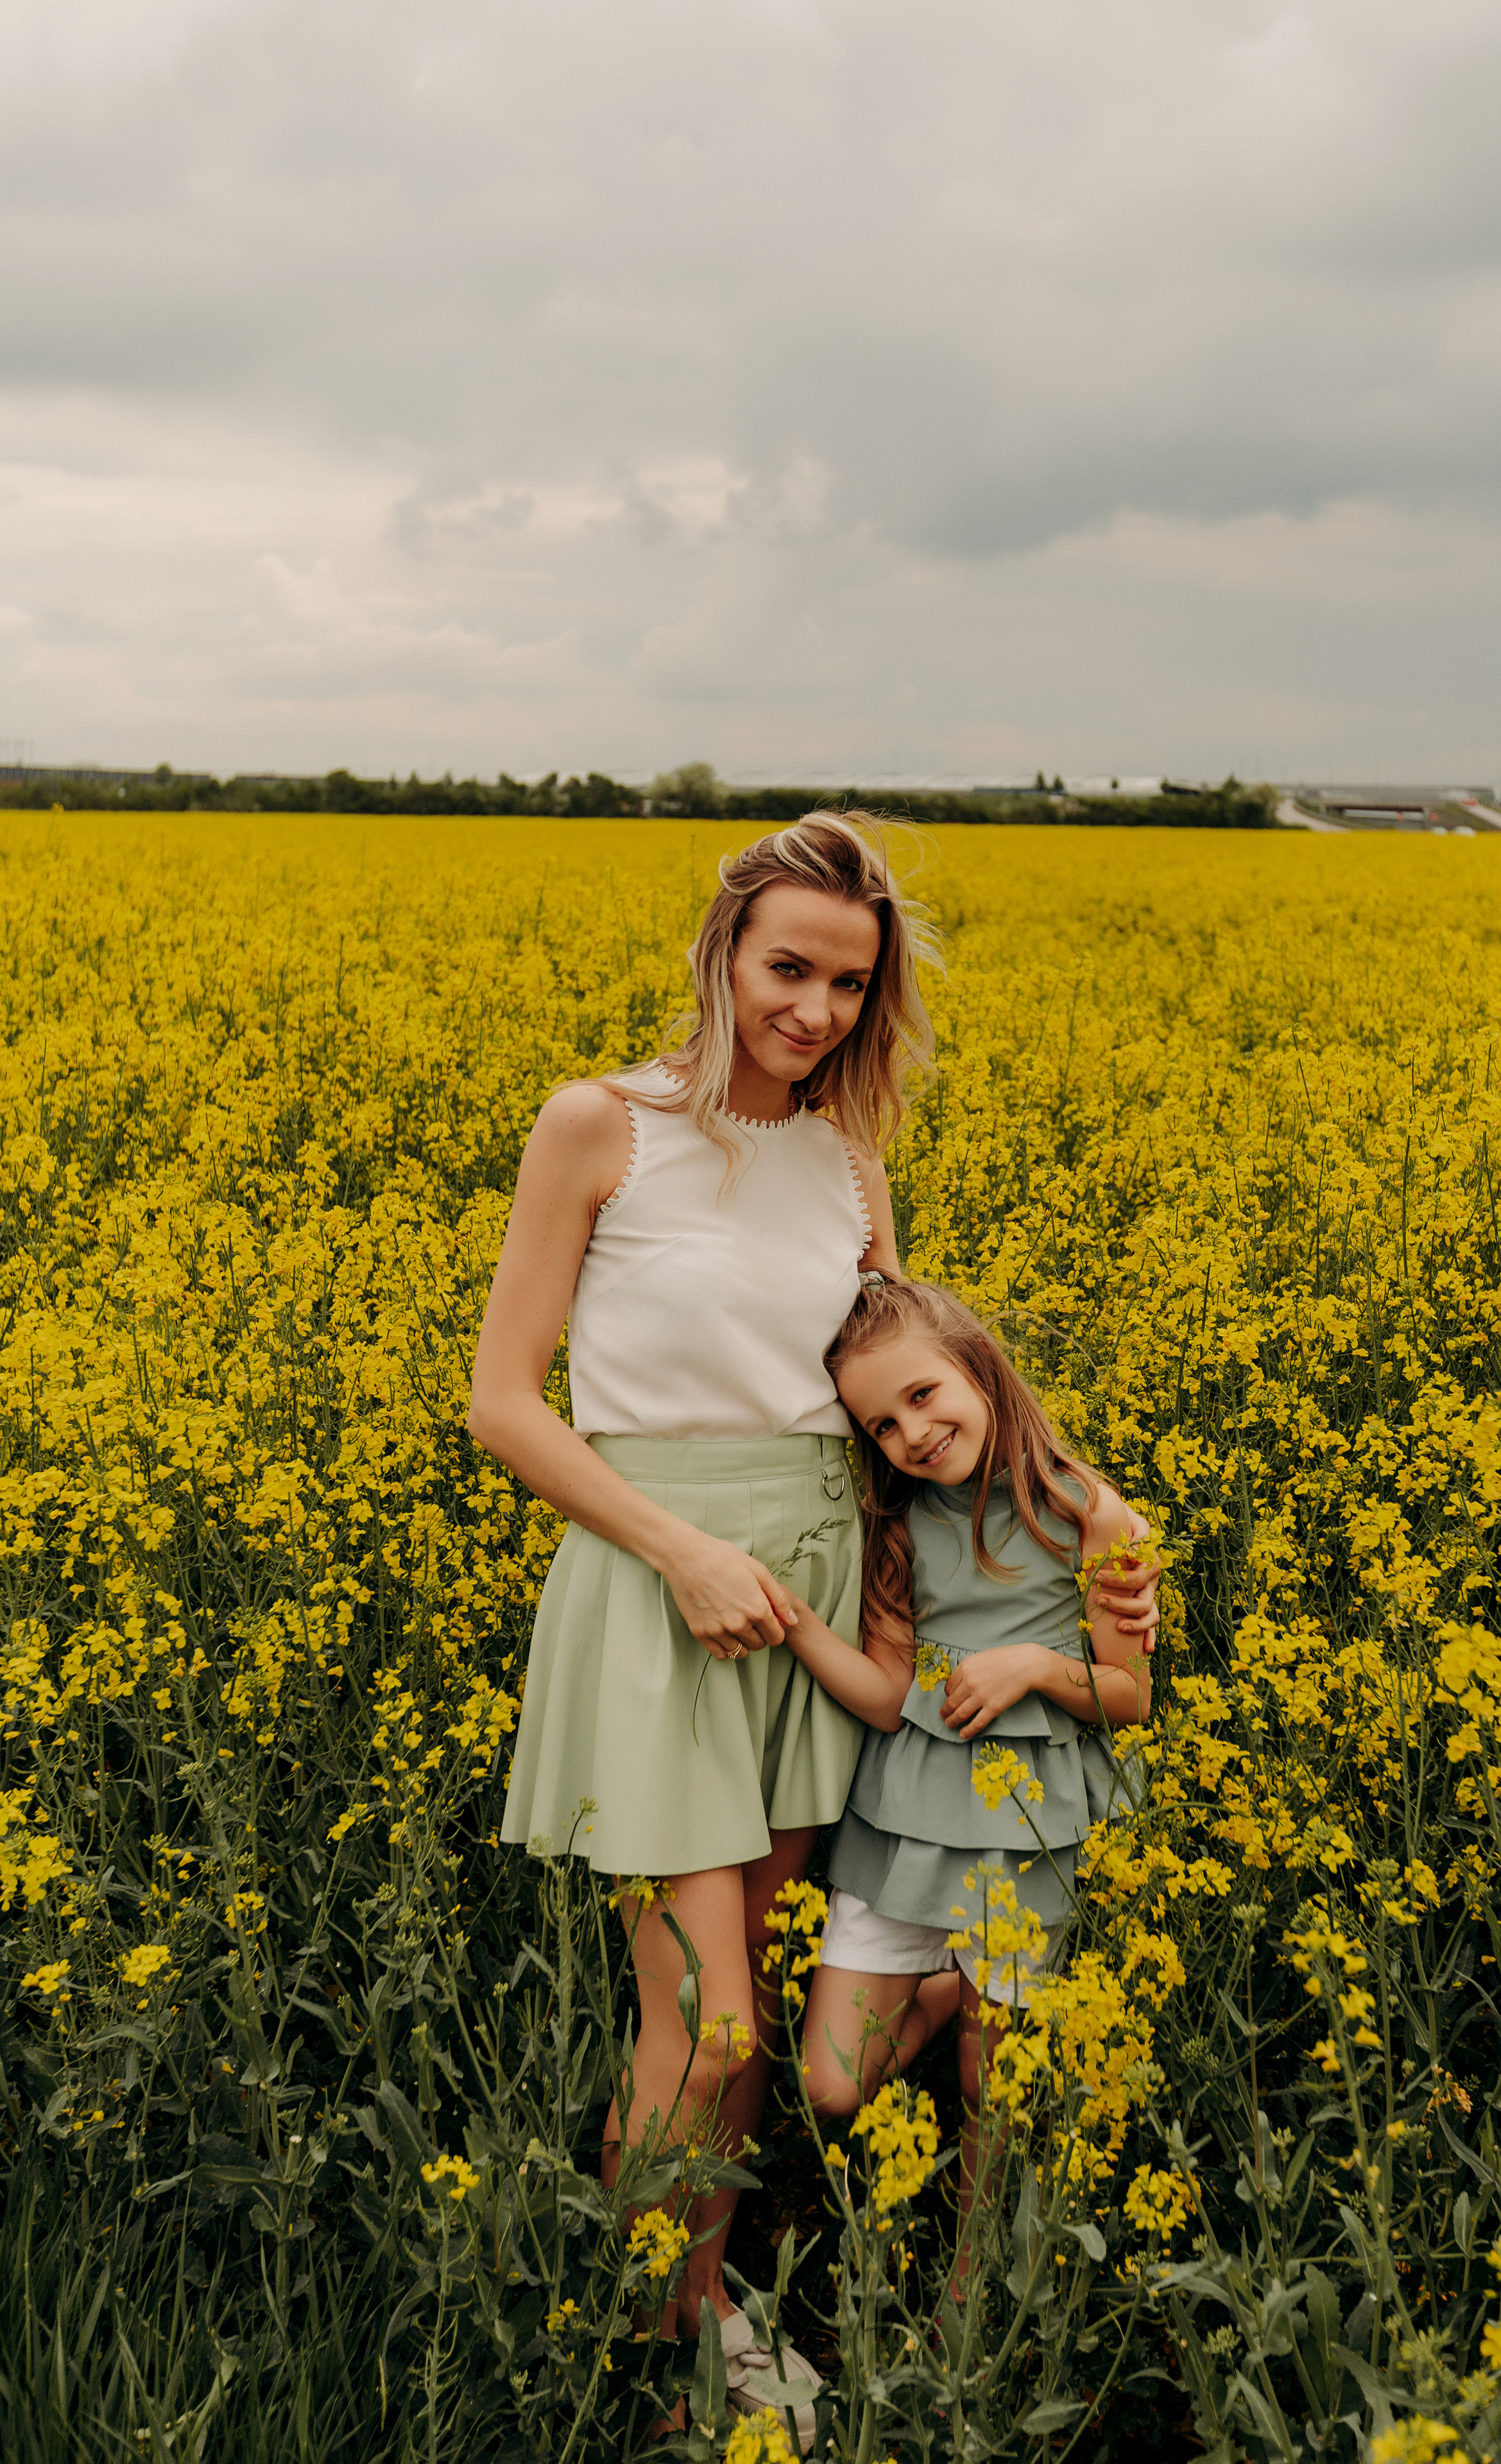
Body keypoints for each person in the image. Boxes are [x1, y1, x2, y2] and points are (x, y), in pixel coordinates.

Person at [467, 815, 931, 2436]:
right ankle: (658, 2362)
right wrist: (675, 1553)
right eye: (787, 967)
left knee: (752, 2002)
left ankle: (698, 2305)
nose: (810, 1007)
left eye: (845, 984)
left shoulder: (850, 1162)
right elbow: (502, 1405)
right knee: (705, 2009)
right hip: (667, 1591)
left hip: (808, 1595)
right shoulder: (603, 1126)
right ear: (724, 953)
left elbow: (898, 1402)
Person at [774, 1274, 1156, 2242]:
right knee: (830, 2083)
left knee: (1000, 2084)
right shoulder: (897, 1524)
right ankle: (943, 1990)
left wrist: (1032, 1665)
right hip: (903, 1814)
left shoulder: (1090, 1515)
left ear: (979, 1368)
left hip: (1029, 1821)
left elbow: (1130, 1696)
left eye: (922, 1396)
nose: (911, 1434)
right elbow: (889, 1697)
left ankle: (971, 2271)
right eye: (882, 1427)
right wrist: (796, 1629)